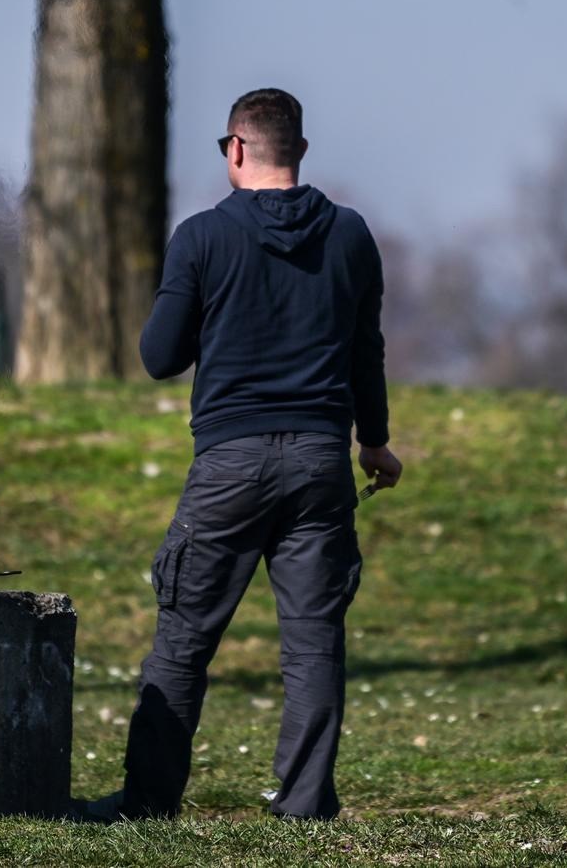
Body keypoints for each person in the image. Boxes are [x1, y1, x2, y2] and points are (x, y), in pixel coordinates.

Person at [91, 88, 403, 822]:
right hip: (322, 462)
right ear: (297, 149)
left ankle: (148, 805)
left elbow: (159, 356)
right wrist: (375, 442)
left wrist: (213, 310)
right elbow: (367, 351)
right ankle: (303, 806)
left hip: (230, 465)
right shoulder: (352, 236)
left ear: (235, 149)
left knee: (183, 641)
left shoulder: (202, 237)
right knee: (314, 644)